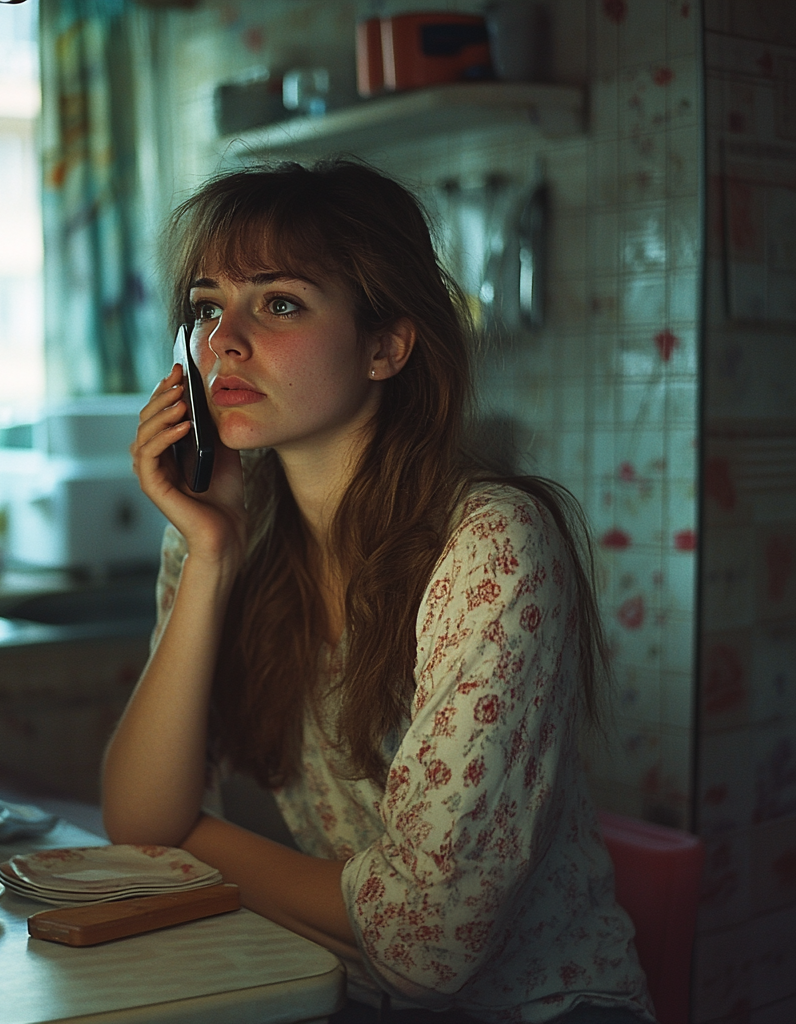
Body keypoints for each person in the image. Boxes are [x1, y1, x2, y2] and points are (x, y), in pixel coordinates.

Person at [102, 159, 654, 1024]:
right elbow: (135, 814)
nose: (226, 343)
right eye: (208, 308)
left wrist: (192, 841)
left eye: (278, 303)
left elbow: (430, 942)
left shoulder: (490, 549)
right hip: (355, 998)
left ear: (386, 345)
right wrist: (209, 554)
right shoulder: (224, 526)